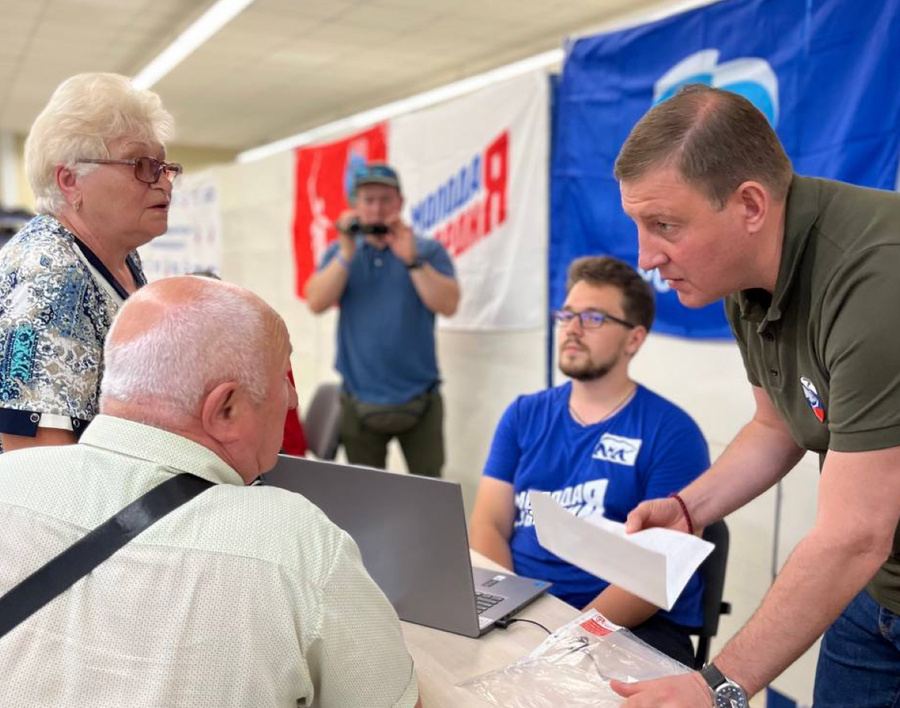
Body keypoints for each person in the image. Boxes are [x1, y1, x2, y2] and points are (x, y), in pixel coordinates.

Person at [0, 276, 421, 708]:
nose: (293, 399)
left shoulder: (8, 482)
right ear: (226, 409)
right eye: (283, 378)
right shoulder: (297, 544)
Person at [610, 84, 900, 707]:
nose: (646, 256)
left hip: (868, 556)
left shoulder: (879, 278)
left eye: (665, 225)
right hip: (876, 592)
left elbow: (856, 532)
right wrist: (689, 508)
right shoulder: (748, 278)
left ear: (749, 205)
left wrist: (717, 684)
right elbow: (776, 426)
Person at [469, 256, 709, 666]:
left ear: (633, 339)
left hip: (629, 627)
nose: (573, 328)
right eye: (568, 314)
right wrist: (506, 611)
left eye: (594, 318)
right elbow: (489, 522)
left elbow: (653, 574)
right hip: (524, 612)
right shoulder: (523, 414)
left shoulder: (673, 433)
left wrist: (567, 640)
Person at [0, 72, 179, 452]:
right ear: (70, 181)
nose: (164, 181)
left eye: (163, 166)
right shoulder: (50, 276)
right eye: (141, 164)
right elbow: (36, 461)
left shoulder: (120, 254)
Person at [304, 162, 460, 477]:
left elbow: (448, 304)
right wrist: (347, 253)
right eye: (369, 200)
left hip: (421, 400)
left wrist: (412, 260)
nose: (376, 208)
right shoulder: (341, 251)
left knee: (430, 495)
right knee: (367, 497)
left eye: (385, 199)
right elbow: (316, 301)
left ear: (400, 203)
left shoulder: (426, 250)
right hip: (359, 402)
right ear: (355, 205)